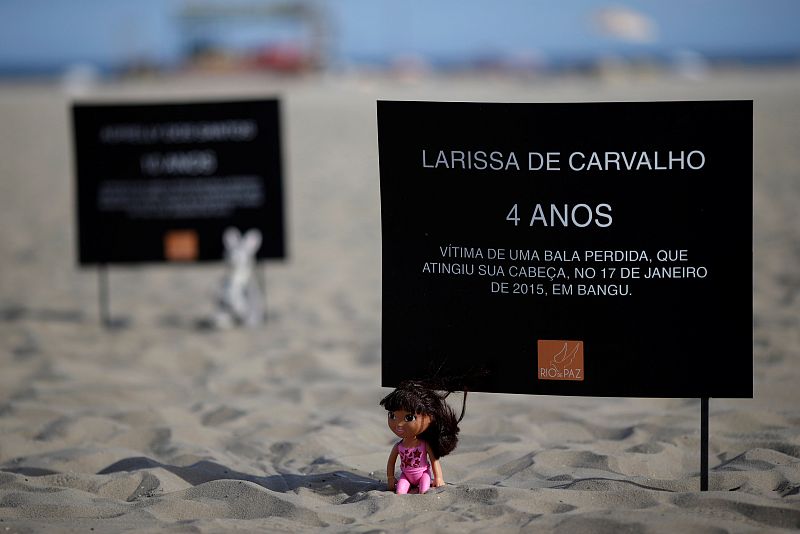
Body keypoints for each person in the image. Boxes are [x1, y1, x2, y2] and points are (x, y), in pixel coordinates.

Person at [380, 379, 466, 494]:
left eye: (409, 418)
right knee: (400, 492)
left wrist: (438, 477)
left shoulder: (424, 444)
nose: (399, 424)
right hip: (405, 475)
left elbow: (434, 461)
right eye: (392, 415)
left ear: (429, 418)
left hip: (423, 474)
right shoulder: (398, 446)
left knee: (424, 490)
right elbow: (391, 463)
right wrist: (390, 478)